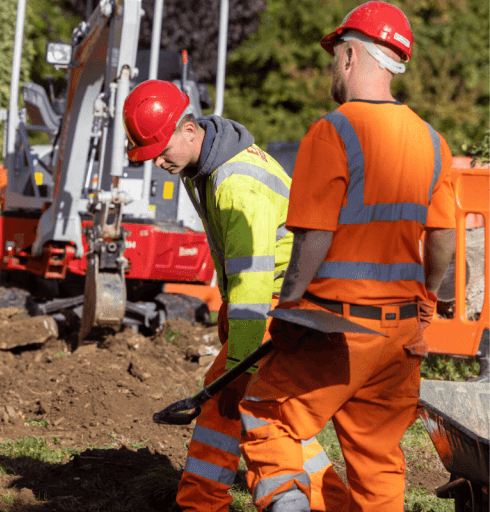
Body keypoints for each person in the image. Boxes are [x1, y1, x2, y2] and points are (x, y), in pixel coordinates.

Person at [237, 2, 457, 511]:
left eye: (336, 56)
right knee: (377, 457)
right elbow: (441, 238)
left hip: (338, 329)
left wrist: (290, 303)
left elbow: (314, 235)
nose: (333, 68)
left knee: (267, 416)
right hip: (400, 336)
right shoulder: (433, 141)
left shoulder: (332, 131)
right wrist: (425, 297)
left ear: (354, 55)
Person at [122, 81, 348, 512]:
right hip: (275, 299)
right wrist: (230, 308)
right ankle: (332, 504)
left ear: (189, 130)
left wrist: (237, 364)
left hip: (278, 300)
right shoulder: (205, 166)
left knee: (223, 404)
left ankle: (200, 504)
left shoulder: (236, 183)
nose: (158, 162)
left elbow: (254, 277)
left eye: (161, 150)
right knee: (273, 419)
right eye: (149, 155)